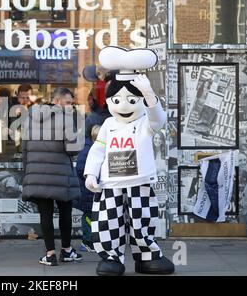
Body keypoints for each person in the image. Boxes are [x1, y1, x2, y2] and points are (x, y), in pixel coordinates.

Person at [84, 46, 174, 276]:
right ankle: (111, 257)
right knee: (108, 222)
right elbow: (98, 150)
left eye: (133, 100)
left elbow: (159, 120)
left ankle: (147, 257)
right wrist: (91, 173)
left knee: (141, 220)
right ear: (110, 100)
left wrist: (150, 96)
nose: (124, 106)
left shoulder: (145, 122)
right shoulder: (107, 125)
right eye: (117, 100)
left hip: (139, 182)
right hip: (111, 184)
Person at [22, 87, 82, 266]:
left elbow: (24, 149)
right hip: (61, 175)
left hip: (37, 175)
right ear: (57, 101)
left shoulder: (29, 118)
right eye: (69, 102)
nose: (71, 106)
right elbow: (72, 149)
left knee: (45, 215)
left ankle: (50, 254)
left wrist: (29, 171)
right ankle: (66, 250)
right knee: (65, 213)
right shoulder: (65, 119)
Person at [75, 125, 102, 253]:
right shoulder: (88, 150)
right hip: (88, 192)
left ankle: (93, 241)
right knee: (89, 217)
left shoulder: (93, 148)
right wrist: (92, 176)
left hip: (93, 191)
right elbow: (80, 169)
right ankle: (87, 242)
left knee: (94, 216)